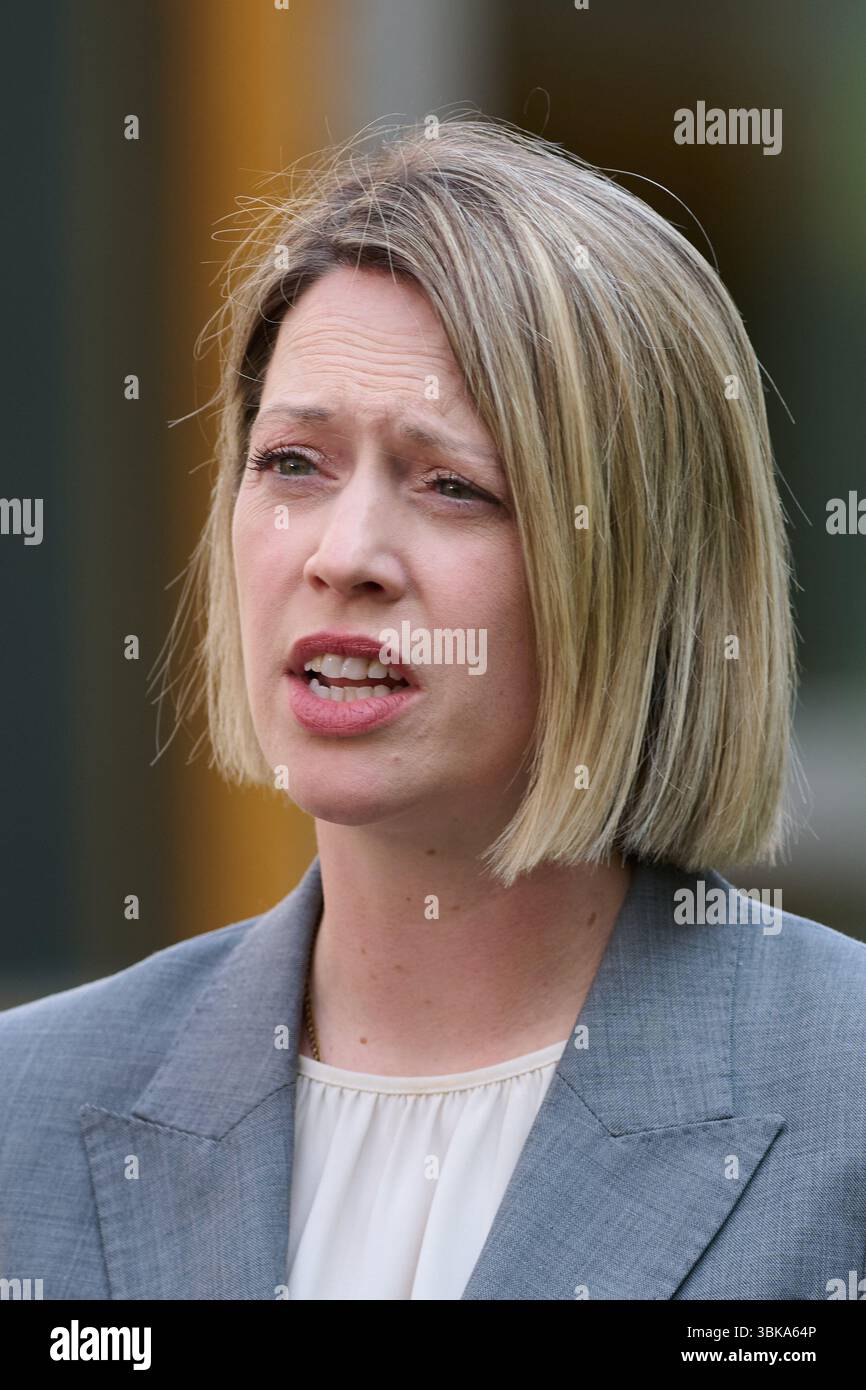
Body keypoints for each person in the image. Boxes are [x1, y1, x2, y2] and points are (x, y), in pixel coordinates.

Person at [1, 117, 864, 1301]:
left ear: (639, 568)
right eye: (292, 464)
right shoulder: (24, 1112)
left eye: (451, 484)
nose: (343, 555)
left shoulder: (840, 1106)